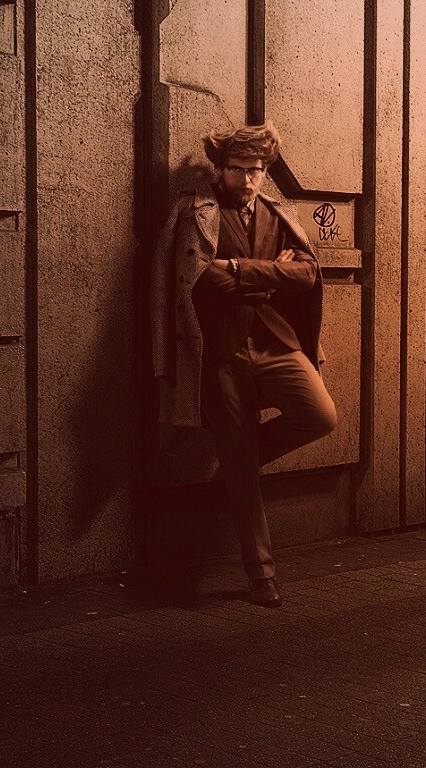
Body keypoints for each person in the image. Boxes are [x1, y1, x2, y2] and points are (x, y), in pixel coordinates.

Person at [151, 122, 336, 608]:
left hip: (276, 341)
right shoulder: (196, 213)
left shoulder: (278, 213)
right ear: (221, 168)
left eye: (257, 170)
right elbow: (201, 281)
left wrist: (238, 270)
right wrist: (273, 275)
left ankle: (240, 461)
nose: (249, 179)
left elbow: (308, 274)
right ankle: (262, 574)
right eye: (239, 169)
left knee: (321, 416)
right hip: (221, 351)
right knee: (241, 465)